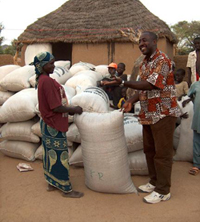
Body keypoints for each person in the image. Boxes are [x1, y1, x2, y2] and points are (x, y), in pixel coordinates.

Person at [103, 31, 180, 204]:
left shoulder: (163, 60)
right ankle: (154, 182)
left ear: (154, 41)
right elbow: (143, 89)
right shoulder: (145, 63)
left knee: (162, 153)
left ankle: (163, 190)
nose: (141, 44)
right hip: (148, 113)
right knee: (150, 150)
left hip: (163, 113)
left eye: (145, 40)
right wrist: (130, 99)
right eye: (140, 41)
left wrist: (122, 82)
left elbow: (151, 84)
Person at [33, 52, 84, 198]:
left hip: (47, 122)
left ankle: (52, 182)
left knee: (50, 154)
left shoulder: (43, 79)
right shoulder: (47, 82)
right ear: (42, 66)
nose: (53, 66)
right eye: (50, 63)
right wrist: (73, 109)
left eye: (54, 62)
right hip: (54, 124)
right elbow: (55, 107)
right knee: (61, 156)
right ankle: (66, 188)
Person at [182, 81, 200, 176]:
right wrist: (187, 99)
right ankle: (196, 165)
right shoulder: (196, 85)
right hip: (198, 119)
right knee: (197, 142)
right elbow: (189, 95)